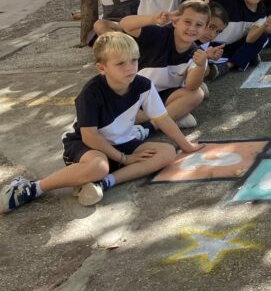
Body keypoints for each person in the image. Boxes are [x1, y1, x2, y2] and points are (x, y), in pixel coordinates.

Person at [2, 33, 201, 212]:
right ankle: (32, 188)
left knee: (166, 152)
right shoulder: (91, 93)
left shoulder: (143, 85)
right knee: (98, 166)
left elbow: (163, 119)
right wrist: (124, 159)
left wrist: (186, 146)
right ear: (101, 68)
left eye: (134, 60)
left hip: (121, 141)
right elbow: (90, 135)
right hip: (84, 144)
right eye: (120, 63)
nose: (130, 67)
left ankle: (104, 183)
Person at [120, 0, 211, 129]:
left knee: (197, 94)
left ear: (205, 29)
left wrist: (201, 66)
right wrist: (153, 19)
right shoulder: (158, 34)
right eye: (187, 22)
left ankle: (151, 126)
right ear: (175, 21)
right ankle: (171, 117)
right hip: (134, 93)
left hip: (162, 96)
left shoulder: (198, 54)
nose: (192, 28)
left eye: (199, 25)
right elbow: (125, 24)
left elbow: (191, 86)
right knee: (115, 114)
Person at [196, 0, 270, 74]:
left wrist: (264, 26)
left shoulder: (261, 12)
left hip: (230, 46)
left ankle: (228, 66)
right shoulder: (231, 0)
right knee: (196, 59)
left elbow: (249, 39)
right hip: (209, 44)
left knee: (262, 37)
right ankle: (247, 57)